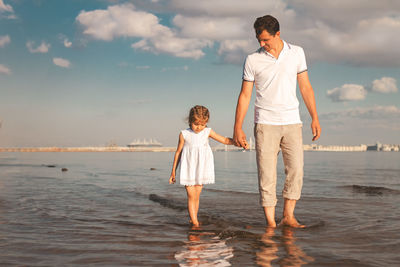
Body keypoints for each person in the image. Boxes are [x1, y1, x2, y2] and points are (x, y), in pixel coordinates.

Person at [233, 15, 321, 228]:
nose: (261, 44)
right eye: (258, 39)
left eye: (265, 40)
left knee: (296, 170)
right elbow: (245, 95)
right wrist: (238, 127)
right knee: (267, 175)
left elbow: (305, 87)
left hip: (292, 121)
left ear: (278, 34)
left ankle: (288, 216)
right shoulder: (252, 59)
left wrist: (314, 117)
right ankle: (271, 223)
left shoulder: (297, 53)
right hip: (265, 123)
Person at [169, 105, 240, 227]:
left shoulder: (207, 131)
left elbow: (223, 140)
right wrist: (173, 172)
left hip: (201, 168)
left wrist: (237, 142)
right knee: (191, 195)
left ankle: (193, 218)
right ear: (190, 121)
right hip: (189, 168)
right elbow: (178, 153)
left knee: (196, 196)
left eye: (202, 124)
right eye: (196, 124)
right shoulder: (184, 134)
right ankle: (195, 223)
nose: (199, 127)